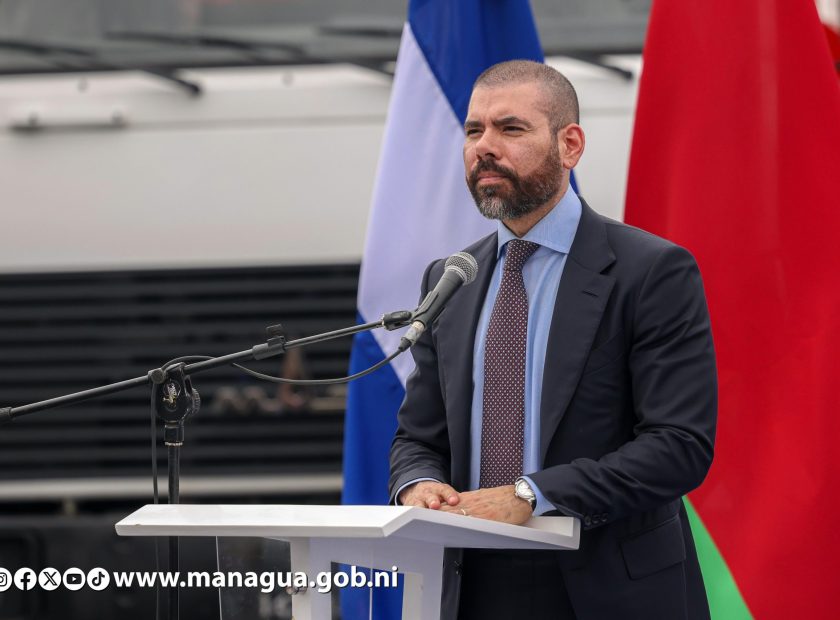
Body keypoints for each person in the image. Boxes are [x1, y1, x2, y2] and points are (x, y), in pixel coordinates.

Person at [388, 60, 717, 620]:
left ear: (570, 146)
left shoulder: (650, 271)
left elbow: (678, 445)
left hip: (608, 586)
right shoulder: (451, 279)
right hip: (471, 584)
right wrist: (418, 484)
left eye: (510, 129)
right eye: (474, 131)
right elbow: (418, 436)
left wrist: (530, 495)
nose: (484, 147)